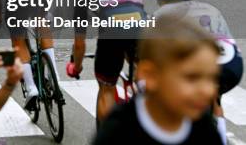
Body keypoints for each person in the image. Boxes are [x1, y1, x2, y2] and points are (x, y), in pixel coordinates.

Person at [93, 15, 223, 145]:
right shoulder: (118, 131)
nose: (208, 90)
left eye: (212, 78)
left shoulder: (205, 130)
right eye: (192, 78)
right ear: (150, 76)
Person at [153, 0, 243, 144]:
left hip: (200, 66)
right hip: (232, 64)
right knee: (215, 100)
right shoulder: (210, 9)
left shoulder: (162, 14)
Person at [66, 0, 148, 125]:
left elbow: (80, 41)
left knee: (106, 87)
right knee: (143, 71)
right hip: (142, 30)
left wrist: (76, 66)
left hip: (112, 35)